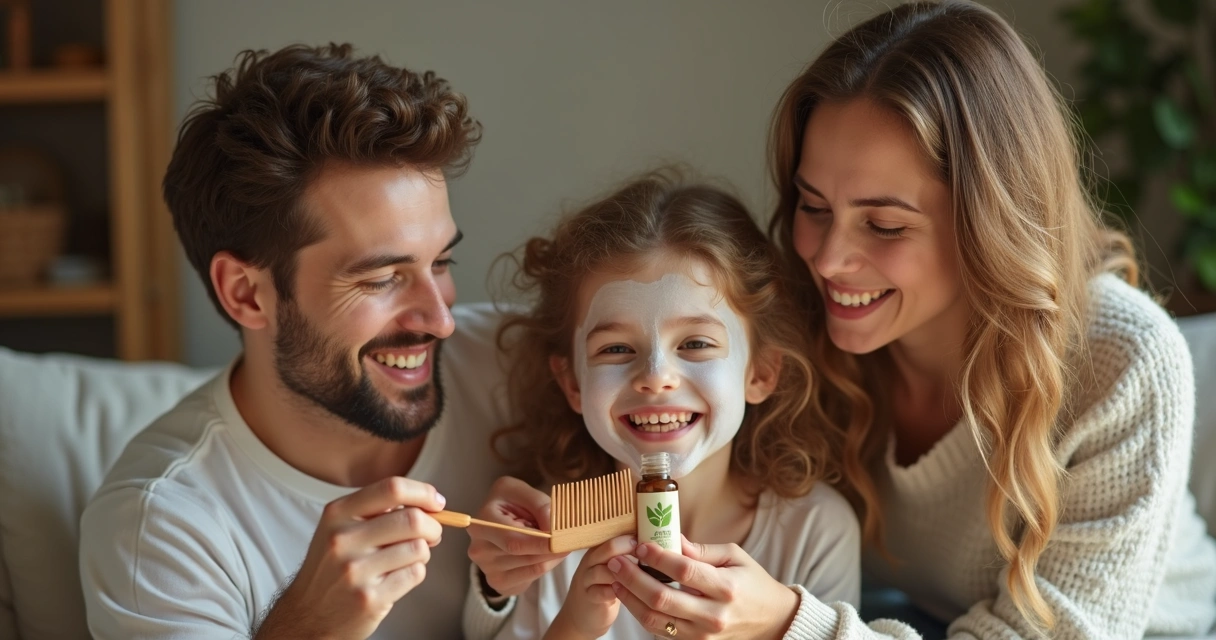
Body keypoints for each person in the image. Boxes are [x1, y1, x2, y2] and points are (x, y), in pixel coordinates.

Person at [756, 1, 1216, 638]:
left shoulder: (1123, 358)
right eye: (813, 207)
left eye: (883, 225)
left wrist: (791, 623)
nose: (828, 259)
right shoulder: (797, 335)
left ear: (989, 224)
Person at [79, 44, 512, 639]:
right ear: (246, 294)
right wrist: (307, 625)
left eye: (440, 262)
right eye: (381, 278)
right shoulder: (158, 528)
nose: (440, 320)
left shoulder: (522, 367)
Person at [462, 171, 861, 639]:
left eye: (695, 343)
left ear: (760, 373)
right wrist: (572, 625)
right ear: (572, 383)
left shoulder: (814, 530)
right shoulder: (547, 535)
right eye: (615, 349)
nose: (654, 376)